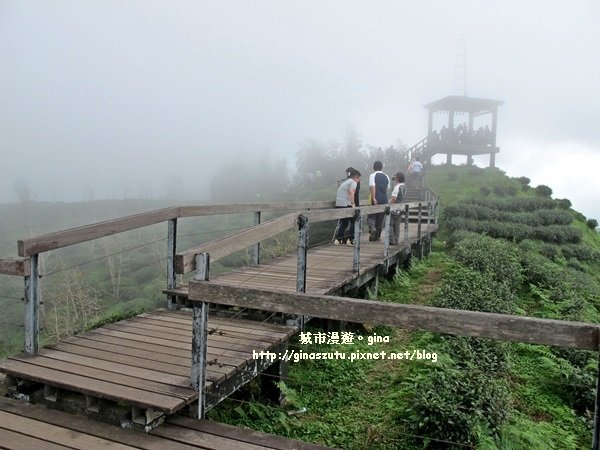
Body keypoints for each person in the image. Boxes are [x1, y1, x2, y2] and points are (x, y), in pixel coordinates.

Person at [334, 168, 361, 245]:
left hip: (339, 205)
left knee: (344, 222)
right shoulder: (353, 182)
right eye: (358, 178)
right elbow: (351, 192)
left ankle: (339, 239)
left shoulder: (346, 182)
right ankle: (351, 239)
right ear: (356, 177)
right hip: (345, 204)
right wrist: (353, 204)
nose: (359, 180)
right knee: (354, 219)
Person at [368, 161, 390, 242]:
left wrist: (374, 198)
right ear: (382, 167)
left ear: (374, 167)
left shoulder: (373, 175)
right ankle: (377, 237)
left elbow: (372, 187)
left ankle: (372, 228)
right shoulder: (386, 176)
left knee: (371, 216)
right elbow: (387, 189)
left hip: (376, 198)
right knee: (380, 219)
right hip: (384, 199)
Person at [389, 172, 406, 245]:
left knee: (390, 224)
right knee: (397, 224)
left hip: (395, 208)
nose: (394, 178)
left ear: (398, 178)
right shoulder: (404, 186)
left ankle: (391, 240)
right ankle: (396, 240)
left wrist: (389, 206)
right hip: (401, 208)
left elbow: (394, 199)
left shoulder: (397, 187)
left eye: (395, 177)